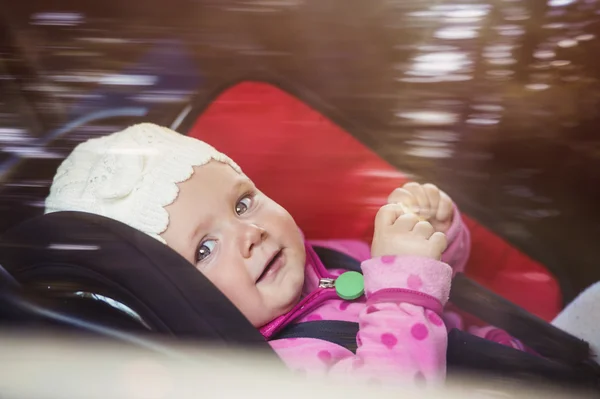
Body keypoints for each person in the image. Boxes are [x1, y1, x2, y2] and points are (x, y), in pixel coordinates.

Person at [43, 123, 592, 387]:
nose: (251, 233)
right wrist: (401, 285)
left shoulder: (334, 259)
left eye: (243, 201)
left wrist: (435, 235)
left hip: (539, 362)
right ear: (169, 305)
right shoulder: (280, 370)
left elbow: (443, 283)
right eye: (204, 248)